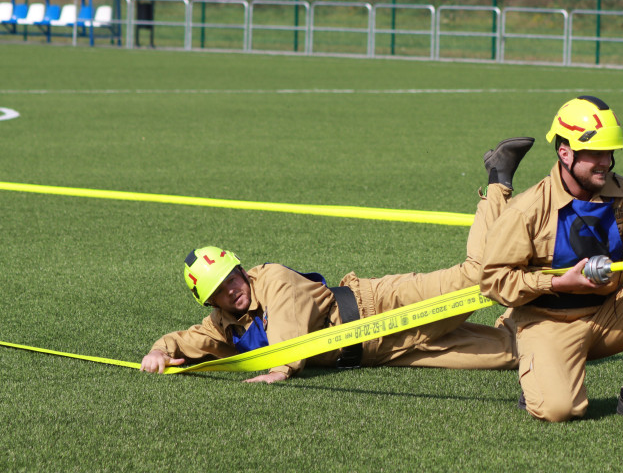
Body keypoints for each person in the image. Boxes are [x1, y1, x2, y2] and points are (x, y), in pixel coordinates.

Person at [140, 137, 536, 382]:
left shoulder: (273, 278)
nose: (232, 291)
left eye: (231, 279)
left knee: (476, 279)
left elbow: (288, 327)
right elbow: (190, 339)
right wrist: (159, 350)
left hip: (380, 304)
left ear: (241, 269)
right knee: (511, 354)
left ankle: (498, 181)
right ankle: (521, 321)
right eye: (220, 292)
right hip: (380, 353)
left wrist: (281, 367)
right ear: (212, 303)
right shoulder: (223, 324)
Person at [479, 96, 623, 422]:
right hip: (546, 321)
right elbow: (493, 280)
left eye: (609, 153)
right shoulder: (528, 208)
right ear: (565, 153)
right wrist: (555, 282)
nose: (606, 162)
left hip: (606, 316)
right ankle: (538, 374)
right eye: (595, 153)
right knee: (560, 410)